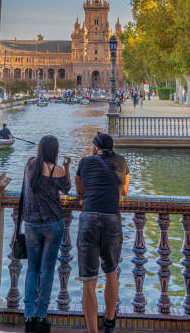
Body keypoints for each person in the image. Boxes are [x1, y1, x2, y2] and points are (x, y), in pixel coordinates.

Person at [75, 132, 129, 333]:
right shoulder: (122, 162)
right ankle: (109, 322)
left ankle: (92, 331)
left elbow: (80, 190)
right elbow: (124, 191)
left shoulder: (84, 162)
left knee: (89, 281)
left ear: (95, 147)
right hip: (112, 218)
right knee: (111, 273)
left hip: (89, 218)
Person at [21, 136, 71, 333]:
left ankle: (28, 316)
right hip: (52, 224)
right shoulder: (56, 169)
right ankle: (42, 317)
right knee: (48, 270)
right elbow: (67, 188)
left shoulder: (30, 165)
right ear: (55, 151)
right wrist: (66, 166)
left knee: (32, 269)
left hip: (31, 223)